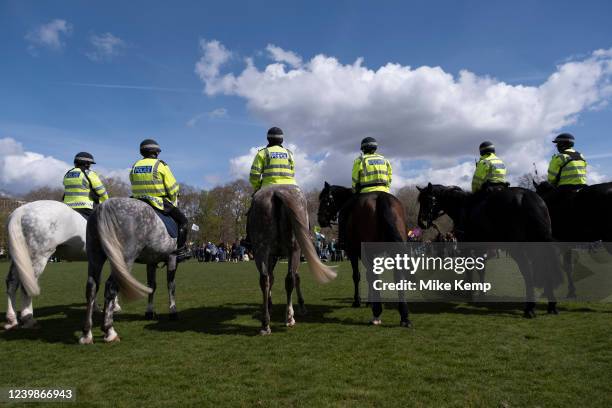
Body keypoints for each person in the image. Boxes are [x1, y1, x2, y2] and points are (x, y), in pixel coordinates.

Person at [130, 139, 189, 261]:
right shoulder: (160, 165)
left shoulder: (135, 165)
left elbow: (132, 182)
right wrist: (173, 199)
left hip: (136, 201)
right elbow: (173, 188)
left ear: (142, 152)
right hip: (158, 202)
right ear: (156, 153)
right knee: (184, 221)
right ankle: (181, 251)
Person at [243, 127, 297, 249]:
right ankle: (307, 236)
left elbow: (254, 175)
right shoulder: (289, 153)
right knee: (303, 208)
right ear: (282, 140)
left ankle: (249, 239)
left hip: (268, 187)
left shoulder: (262, 153)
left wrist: (258, 187)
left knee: (252, 210)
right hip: (290, 187)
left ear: (268, 139)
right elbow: (293, 172)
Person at [338, 137, 392, 249]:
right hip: (385, 191)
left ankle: (342, 241)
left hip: (365, 191)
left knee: (343, 212)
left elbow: (355, 179)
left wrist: (355, 190)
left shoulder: (360, 160)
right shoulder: (384, 160)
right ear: (375, 148)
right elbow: (389, 177)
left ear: (363, 148)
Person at [62, 152, 109, 218]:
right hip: (86, 207)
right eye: (90, 164)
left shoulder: (68, 174)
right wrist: (106, 202)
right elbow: (101, 191)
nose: (90, 166)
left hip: (67, 206)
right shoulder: (90, 173)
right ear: (86, 163)